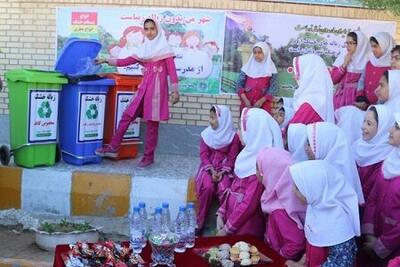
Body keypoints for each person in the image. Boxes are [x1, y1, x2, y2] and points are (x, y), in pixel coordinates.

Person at [94, 18, 180, 167]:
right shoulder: (144, 48)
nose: (149, 32)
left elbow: (172, 71)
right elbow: (126, 61)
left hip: (157, 91)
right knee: (128, 115)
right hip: (144, 88)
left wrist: (175, 91)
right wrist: (106, 60)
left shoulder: (165, 48)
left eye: (152, 29)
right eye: (146, 29)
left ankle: (149, 156)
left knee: (152, 124)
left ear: (158, 30)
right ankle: (113, 147)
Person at [216, 108, 283, 238]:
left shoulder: (260, 167)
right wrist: (221, 213)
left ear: (254, 132)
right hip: (232, 222)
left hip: (246, 230)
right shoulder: (247, 156)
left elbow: (249, 205)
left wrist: (227, 228)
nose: (238, 132)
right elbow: (232, 189)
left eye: (241, 129)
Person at [287, 160, 360, 267]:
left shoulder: (338, 223)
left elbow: (341, 263)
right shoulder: (315, 208)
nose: (293, 190)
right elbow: (314, 241)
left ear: (314, 189)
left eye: (297, 187)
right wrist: (302, 262)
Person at [361, 113, 400, 266]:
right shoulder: (391, 159)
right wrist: (369, 234)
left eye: (397, 127)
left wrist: (380, 246)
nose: (390, 130)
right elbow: (373, 197)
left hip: (394, 250)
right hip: (374, 235)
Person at [195, 105, 240, 232]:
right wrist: (211, 170)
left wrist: (223, 171)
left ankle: (223, 224)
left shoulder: (233, 137)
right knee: (207, 187)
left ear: (223, 119)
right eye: (210, 117)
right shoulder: (206, 134)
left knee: (225, 188)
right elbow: (204, 155)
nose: (211, 121)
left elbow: (232, 157)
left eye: (214, 118)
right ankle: (200, 222)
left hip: (225, 169)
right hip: (208, 167)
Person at [257, 147, 305, 260]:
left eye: (259, 169)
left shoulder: (280, 210)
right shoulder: (290, 197)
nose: (256, 173)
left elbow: (296, 243)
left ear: (271, 174)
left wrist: (278, 258)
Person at [305, 122, 364, 204]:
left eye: (309, 144)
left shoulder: (337, 182)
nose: (306, 148)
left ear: (325, 145)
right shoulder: (321, 170)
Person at [352, 105, 394, 201]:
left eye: (369, 124)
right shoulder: (357, 145)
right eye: (364, 121)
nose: (362, 127)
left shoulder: (387, 157)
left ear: (382, 128)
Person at [285, 54, 334, 134]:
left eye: (297, 73)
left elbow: (293, 130)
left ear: (308, 73)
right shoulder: (318, 99)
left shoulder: (311, 103)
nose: (294, 77)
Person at [331, 31, 370, 110]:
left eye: (351, 43)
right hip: (340, 98)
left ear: (360, 44)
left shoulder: (368, 61)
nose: (348, 46)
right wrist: (344, 64)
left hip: (356, 99)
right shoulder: (343, 56)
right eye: (347, 43)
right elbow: (333, 80)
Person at [236, 42, 278, 114]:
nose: (256, 55)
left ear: (265, 53)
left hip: (263, 106)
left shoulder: (271, 69)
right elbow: (238, 85)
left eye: (259, 52)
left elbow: (274, 88)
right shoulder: (247, 67)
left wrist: (261, 101)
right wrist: (246, 100)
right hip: (247, 105)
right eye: (254, 53)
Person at [356, 32, 394, 106]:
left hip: (381, 108)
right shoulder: (370, 63)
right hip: (363, 104)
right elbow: (362, 80)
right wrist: (360, 96)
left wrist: (369, 102)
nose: (373, 49)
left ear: (385, 46)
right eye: (372, 46)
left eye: (376, 46)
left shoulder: (392, 67)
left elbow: (388, 90)